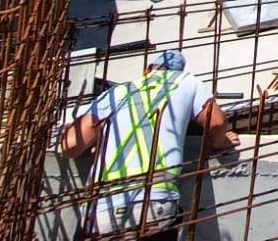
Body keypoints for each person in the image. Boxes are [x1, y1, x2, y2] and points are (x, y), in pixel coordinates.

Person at [60, 50, 241, 240]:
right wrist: (220, 142)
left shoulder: (116, 92)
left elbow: (70, 144)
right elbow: (218, 122)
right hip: (155, 206)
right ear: (179, 71)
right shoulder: (186, 81)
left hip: (100, 211)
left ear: (147, 69)